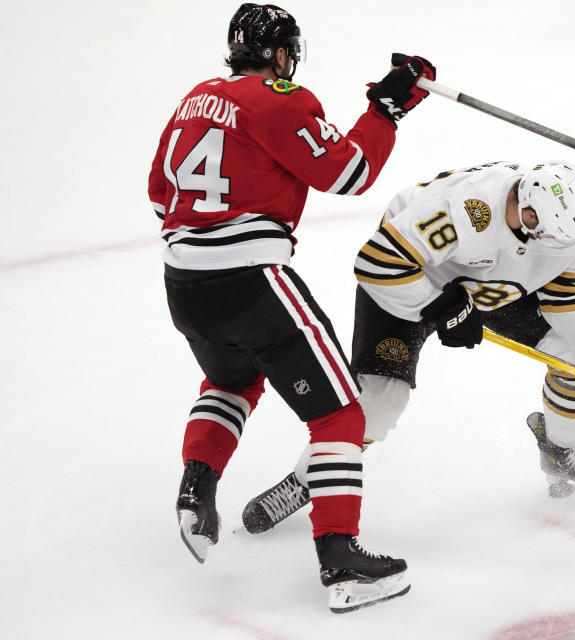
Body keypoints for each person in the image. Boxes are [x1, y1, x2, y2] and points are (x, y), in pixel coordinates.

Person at [147, 3, 435, 613]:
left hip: (182, 283)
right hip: (249, 279)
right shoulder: (282, 98)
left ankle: (196, 491)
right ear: (280, 52)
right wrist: (383, 111)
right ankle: (341, 562)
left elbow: (159, 193)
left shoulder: (194, 98)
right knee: (340, 416)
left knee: (231, 381)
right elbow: (349, 172)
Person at [241, 160, 575, 535]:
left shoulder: (567, 230)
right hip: (412, 276)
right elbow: (377, 263)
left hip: (487, 285)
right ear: (526, 211)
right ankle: (309, 477)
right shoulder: (467, 207)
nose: (552, 252)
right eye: (543, 239)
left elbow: (572, 298)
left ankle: (559, 451)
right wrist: (440, 308)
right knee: (382, 402)